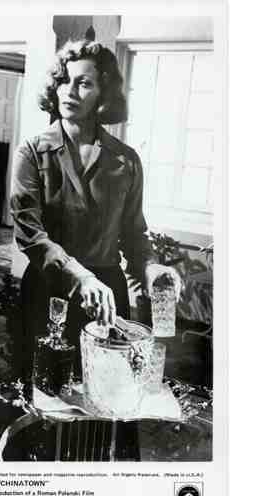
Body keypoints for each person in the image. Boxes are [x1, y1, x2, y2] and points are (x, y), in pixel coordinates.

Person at [10, 39, 182, 383]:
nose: (69, 91)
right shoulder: (31, 152)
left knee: (105, 392)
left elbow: (134, 234)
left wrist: (150, 268)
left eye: (84, 83)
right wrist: (82, 277)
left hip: (108, 296)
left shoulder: (125, 161)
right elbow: (30, 235)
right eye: (64, 80)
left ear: (104, 94)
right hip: (48, 291)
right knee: (43, 394)